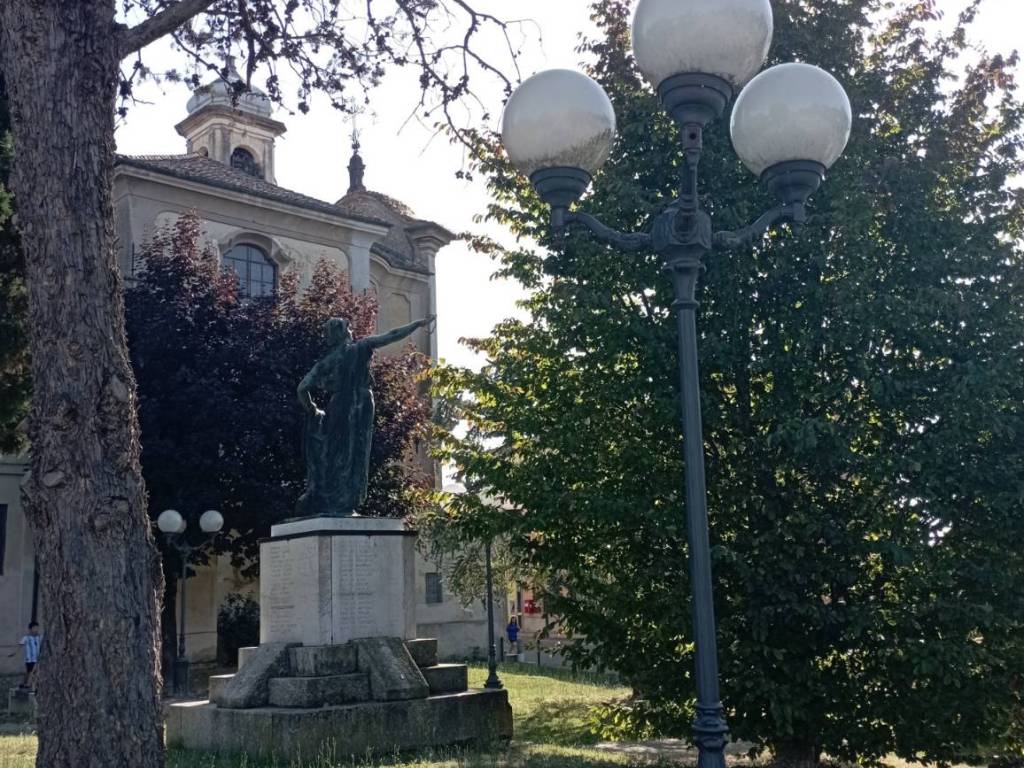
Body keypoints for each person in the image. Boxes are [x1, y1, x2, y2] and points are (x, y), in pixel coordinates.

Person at [11, 622, 42, 690]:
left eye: (37, 628)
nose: (36, 629)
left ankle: (30, 685)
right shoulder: (26, 638)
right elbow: (20, 646)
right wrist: (14, 653)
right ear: (30, 629)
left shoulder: (39, 637)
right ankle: (25, 684)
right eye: (34, 628)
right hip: (29, 659)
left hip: (37, 659)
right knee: (29, 672)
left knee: (33, 672)